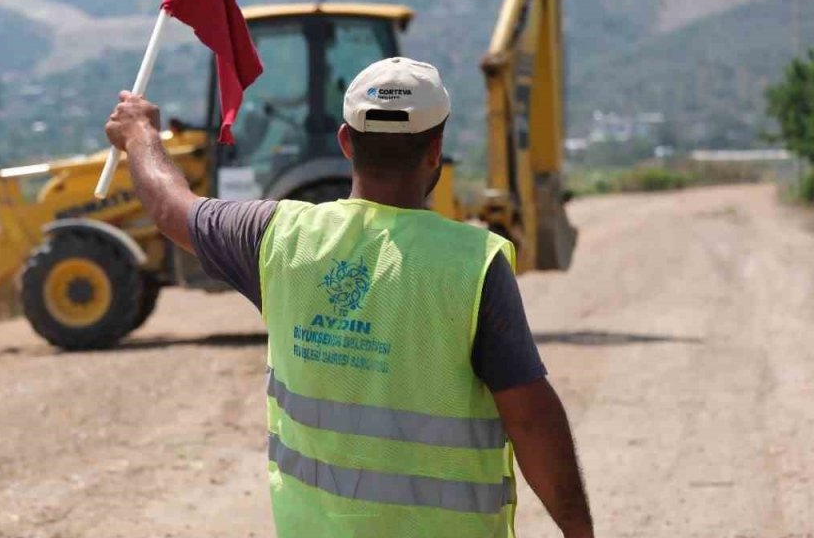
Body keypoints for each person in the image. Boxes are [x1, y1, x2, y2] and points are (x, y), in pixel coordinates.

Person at [104, 57, 593, 537]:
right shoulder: (473, 265)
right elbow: (530, 420)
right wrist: (579, 530)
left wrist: (141, 135)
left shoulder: (275, 237)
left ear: (345, 141)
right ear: (434, 150)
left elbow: (170, 208)